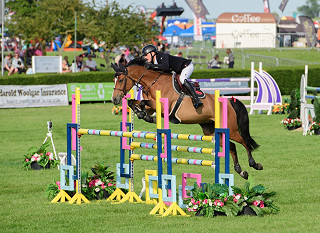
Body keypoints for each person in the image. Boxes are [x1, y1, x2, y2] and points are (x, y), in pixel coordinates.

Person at [141, 44, 203, 108]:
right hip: (177, 70)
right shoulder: (154, 62)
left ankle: (196, 99)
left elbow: (165, 67)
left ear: (153, 53)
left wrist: (152, 66)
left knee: (182, 79)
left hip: (186, 66)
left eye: (146, 55)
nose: (145, 57)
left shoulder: (162, 56)